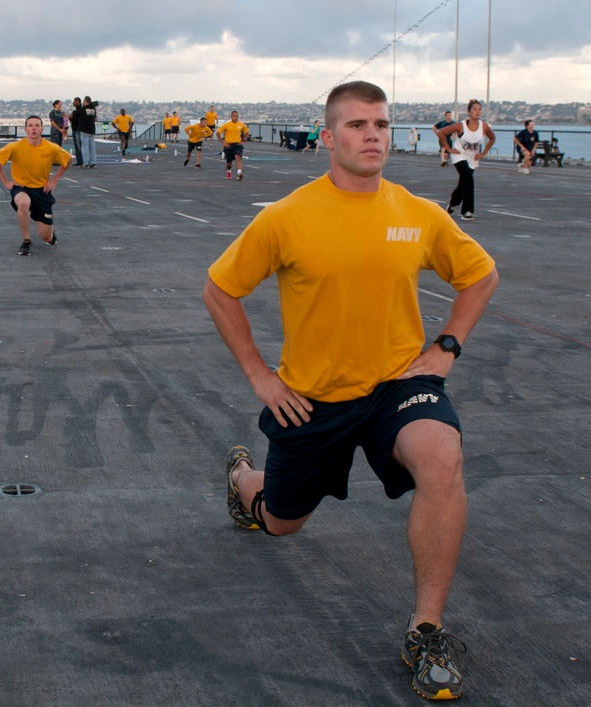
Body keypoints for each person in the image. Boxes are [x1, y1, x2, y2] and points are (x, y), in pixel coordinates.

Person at [203, 80, 498, 702]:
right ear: (330, 135)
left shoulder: (417, 213)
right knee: (282, 524)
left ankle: (425, 631)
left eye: (382, 125)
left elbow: (480, 274)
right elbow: (220, 290)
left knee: (442, 459)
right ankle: (243, 482)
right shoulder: (287, 216)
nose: (373, 136)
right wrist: (261, 376)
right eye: (359, 125)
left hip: (398, 387)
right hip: (312, 399)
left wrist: (446, 348)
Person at [0, 115, 73, 256]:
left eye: (36, 125)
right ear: (25, 130)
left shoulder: (52, 148)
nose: (33, 128)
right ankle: (26, 241)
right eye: (30, 125)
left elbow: (68, 159)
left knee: (47, 238)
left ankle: (50, 233)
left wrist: (54, 180)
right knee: (23, 203)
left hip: (42, 190)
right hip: (21, 187)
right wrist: (5, 181)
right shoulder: (16, 146)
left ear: (41, 129)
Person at [437, 99, 496, 222]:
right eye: (474, 109)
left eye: (479, 110)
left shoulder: (484, 127)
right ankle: (467, 211)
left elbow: (492, 139)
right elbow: (441, 133)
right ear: (469, 112)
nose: (477, 112)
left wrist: (483, 153)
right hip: (459, 156)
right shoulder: (461, 125)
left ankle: (453, 203)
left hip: (472, 158)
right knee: (469, 180)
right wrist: (448, 149)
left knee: (463, 184)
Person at [216, 110, 249, 181]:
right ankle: (229, 171)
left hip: (237, 144)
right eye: (234, 116)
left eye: (237, 116)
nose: (236, 118)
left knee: (238, 157)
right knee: (229, 163)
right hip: (229, 145)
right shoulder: (227, 125)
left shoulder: (241, 124)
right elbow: (218, 133)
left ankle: (239, 173)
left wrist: (243, 140)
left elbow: (246, 132)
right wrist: (223, 143)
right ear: (231, 116)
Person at [73, 96, 98, 168]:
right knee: (92, 147)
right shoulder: (93, 109)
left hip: (84, 130)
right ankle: (93, 162)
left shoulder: (83, 109)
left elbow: (76, 114)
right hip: (92, 130)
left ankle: (85, 162)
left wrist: (83, 106)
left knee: (85, 147)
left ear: (85, 101)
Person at [69, 97, 84, 167]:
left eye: (74, 101)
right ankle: (80, 160)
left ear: (78, 102)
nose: (73, 102)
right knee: (79, 145)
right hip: (76, 129)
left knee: (78, 145)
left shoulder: (79, 111)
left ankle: (80, 160)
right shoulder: (77, 111)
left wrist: (72, 116)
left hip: (77, 129)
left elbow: (76, 119)